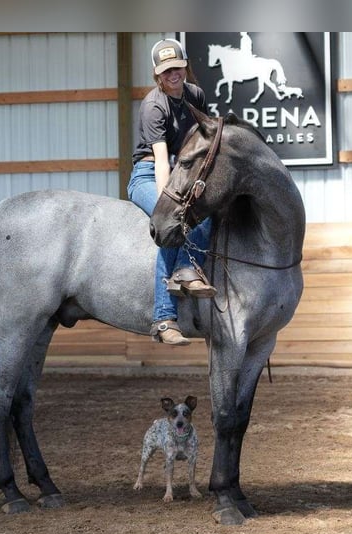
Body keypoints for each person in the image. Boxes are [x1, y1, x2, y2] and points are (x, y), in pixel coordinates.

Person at [127, 38, 215, 346]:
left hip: (183, 173)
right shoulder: (154, 105)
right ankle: (163, 318)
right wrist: (170, 205)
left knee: (208, 215)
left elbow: (204, 144)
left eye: (177, 68)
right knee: (173, 226)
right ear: (157, 74)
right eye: (166, 71)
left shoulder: (196, 96)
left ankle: (184, 269)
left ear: (185, 66)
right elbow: (162, 161)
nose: (172, 75)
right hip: (149, 175)